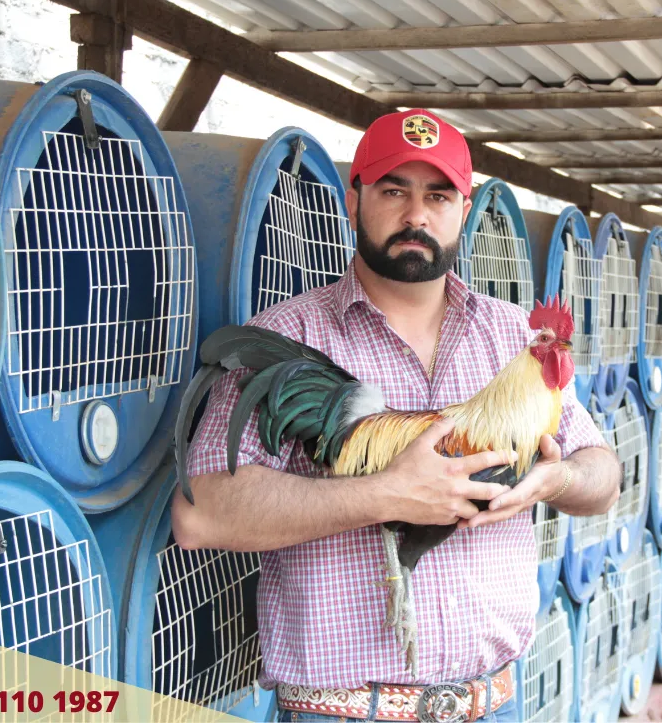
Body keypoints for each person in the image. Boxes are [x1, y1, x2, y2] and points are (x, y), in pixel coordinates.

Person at [173, 109, 621, 723]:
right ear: (353, 201)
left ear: (464, 210)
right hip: (343, 712)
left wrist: (560, 480)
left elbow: (603, 475)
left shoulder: (517, 337)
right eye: (393, 190)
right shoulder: (286, 333)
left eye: (437, 195)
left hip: (492, 705)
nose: (416, 215)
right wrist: (385, 494)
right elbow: (200, 516)